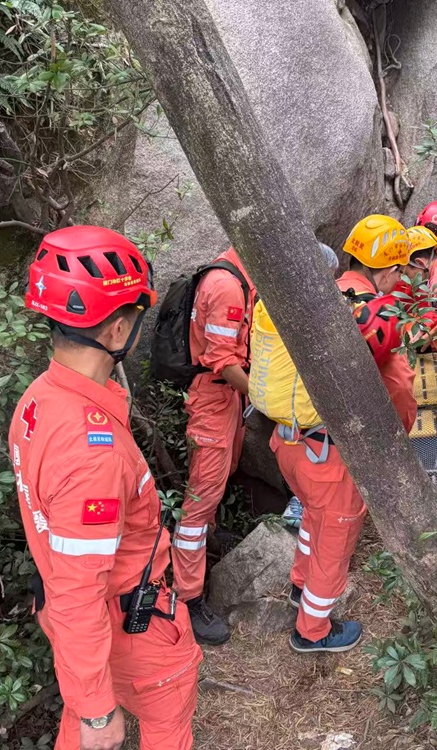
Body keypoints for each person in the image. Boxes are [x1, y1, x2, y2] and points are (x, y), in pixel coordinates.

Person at [10, 226, 202, 750]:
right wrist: (100, 713)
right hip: (126, 626)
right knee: (163, 723)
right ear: (117, 332)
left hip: (76, 622)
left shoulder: (39, 399)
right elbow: (80, 590)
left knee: (78, 719)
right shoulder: (93, 452)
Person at [270, 215, 421, 654]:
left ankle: (301, 585)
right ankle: (312, 631)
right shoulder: (379, 318)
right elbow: (400, 393)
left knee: (313, 520)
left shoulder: (318, 296)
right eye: (400, 269)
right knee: (336, 537)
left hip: (288, 440)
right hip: (328, 456)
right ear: (389, 269)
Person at [172, 245, 256, 646]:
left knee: (219, 477)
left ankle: (211, 535)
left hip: (224, 397)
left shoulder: (239, 277)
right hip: (214, 397)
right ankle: (187, 598)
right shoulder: (227, 286)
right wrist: (264, 394)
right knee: (200, 498)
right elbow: (222, 360)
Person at [281, 242, 341, 530]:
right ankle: (301, 505)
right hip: (311, 421)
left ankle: (298, 503)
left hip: (283, 420)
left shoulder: (279, 305)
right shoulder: (318, 313)